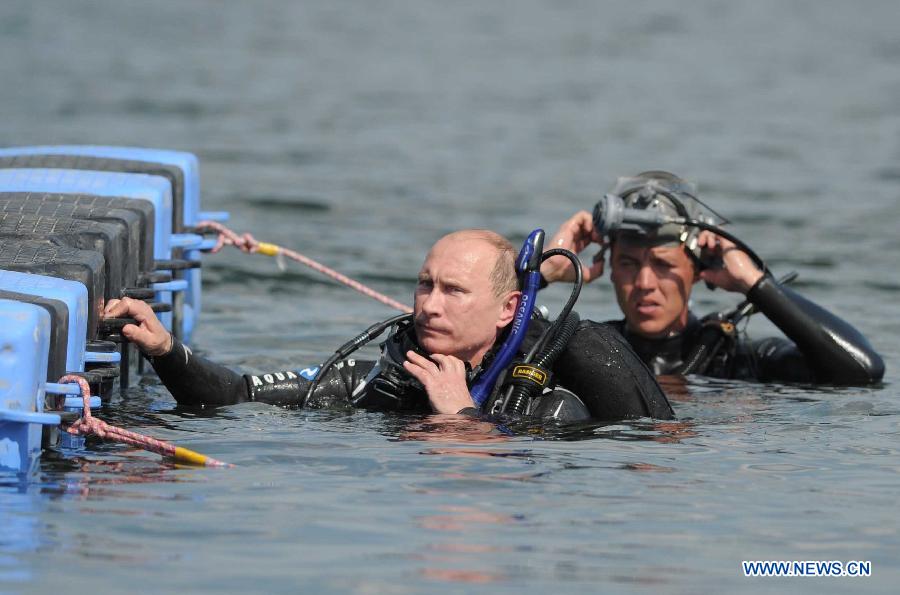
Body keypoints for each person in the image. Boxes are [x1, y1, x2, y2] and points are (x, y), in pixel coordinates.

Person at [105, 229, 674, 421]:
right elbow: (235, 395)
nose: (430, 305)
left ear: (508, 308)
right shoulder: (383, 377)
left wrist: (461, 416)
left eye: (454, 291)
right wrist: (163, 347)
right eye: (426, 284)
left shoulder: (552, 403)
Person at [540, 171, 884, 384]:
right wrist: (545, 272)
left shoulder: (734, 360)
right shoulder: (585, 349)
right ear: (610, 269)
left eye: (664, 265)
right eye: (629, 264)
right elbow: (490, 346)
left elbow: (862, 371)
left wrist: (756, 284)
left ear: (696, 270)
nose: (645, 283)